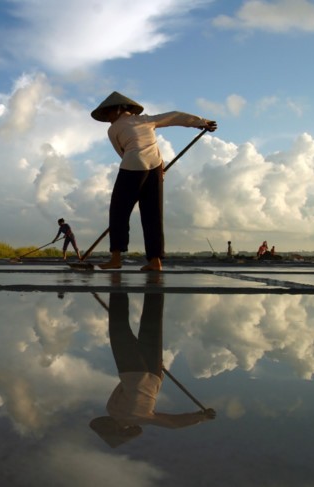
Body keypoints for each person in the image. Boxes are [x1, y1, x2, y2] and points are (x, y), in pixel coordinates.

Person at [91, 91, 217, 271]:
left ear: (119, 109)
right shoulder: (146, 120)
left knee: (119, 211)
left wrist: (139, 167)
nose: (108, 118)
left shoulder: (113, 130)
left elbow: (123, 153)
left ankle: (116, 258)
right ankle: (155, 261)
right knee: (153, 215)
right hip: (155, 167)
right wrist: (201, 122)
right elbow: (174, 116)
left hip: (133, 165)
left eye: (108, 113)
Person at [89, 292, 216, 447]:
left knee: (152, 323)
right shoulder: (113, 409)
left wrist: (201, 417)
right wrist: (200, 417)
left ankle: (153, 281)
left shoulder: (143, 418)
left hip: (152, 372)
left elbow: (173, 423)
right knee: (120, 327)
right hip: (132, 370)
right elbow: (122, 385)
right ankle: (120, 286)